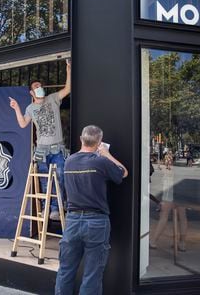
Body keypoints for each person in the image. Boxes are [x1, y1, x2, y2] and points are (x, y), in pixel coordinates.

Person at [55, 125, 128, 295]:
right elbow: (123, 172)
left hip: (72, 220)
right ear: (99, 142)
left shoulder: (69, 161)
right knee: (92, 274)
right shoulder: (101, 162)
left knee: (65, 270)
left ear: (81, 139)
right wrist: (106, 154)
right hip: (96, 222)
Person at [9, 59, 71, 220]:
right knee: (44, 181)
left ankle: (56, 208)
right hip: (41, 150)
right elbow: (23, 124)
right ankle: (46, 208)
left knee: (60, 178)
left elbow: (68, 88)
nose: (40, 89)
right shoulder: (30, 108)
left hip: (57, 147)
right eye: (36, 87)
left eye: (40, 86)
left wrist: (69, 69)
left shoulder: (53, 99)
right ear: (31, 92)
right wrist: (16, 108)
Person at [149, 166, 187, 251]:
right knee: (182, 217)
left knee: (164, 215)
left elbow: (168, 181)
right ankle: (182, 243)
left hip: (171, 192)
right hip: (181, 191)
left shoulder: (169, 168)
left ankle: (153, 241)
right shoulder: (177, 169)